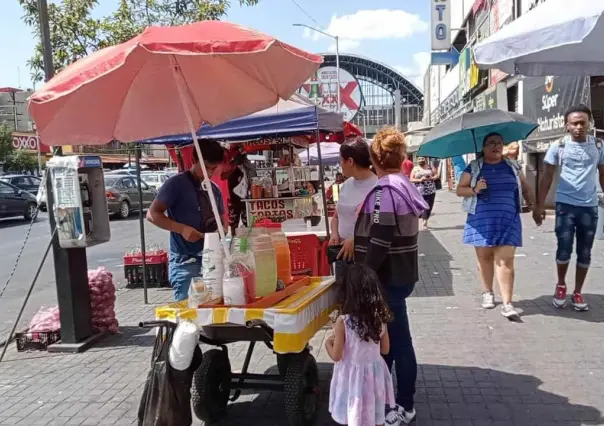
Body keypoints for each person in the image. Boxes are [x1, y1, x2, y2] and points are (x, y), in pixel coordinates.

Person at [354, 127, 428, 424]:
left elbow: (380, 239)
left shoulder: (385, 192)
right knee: (392, 341)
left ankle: (404, 405)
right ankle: (389, 399)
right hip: (401, 275)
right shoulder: (405, 185)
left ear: (375, 159)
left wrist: (362, 274)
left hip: (386, 279)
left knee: (397, 342)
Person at [533, 105, 604, 311]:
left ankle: (578, 292)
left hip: (589, 207)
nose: (579, 127)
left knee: (585, 252)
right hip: (565, 206)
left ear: (590, 123)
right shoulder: (559, 146)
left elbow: (602, 174)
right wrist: (539, 205)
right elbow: (547, 177)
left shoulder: (598, 146)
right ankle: (561, 284)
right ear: (567, 126)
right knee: (564, 249)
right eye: (574, 123)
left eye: (583, 122)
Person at [457, 133, 534, 319]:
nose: (496, 146)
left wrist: (534, 205)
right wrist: (475, 189)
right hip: (481, 220)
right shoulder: (475, 167)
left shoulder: (513, 166)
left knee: (506, 260)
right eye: (491, 143)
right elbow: (460, 190)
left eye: (499, 143)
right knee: (485, 258)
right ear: (483, 148)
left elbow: (525, 187)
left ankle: (507, 303)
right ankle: (487, 292)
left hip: (509, 219)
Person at [147, 141, 226, 301]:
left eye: (213, 168)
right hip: (186, 261)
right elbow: (152, 214)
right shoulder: (176, 184)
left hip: (212, 260)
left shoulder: (214, 189)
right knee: (189, 316)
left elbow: (223, 220)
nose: (209, 173)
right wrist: (181, 229)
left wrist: (223, 232)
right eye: (206, 167)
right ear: (194, 161)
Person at [326, 264, 397, 426]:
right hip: (374, 375)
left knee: (351, 413)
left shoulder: (343, 322)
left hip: (351, 377)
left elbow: (336, 355)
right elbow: (385, 349)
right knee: (375, 415)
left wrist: (327, 343)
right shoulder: (379, 319)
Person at [329, 136, 378, 277]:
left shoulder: (377, 186)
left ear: (350, 161)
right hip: (342, 254)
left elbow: (380, 226)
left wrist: (357, 239)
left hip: (364, 256)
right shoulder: (346, 184)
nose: (340, 164)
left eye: (341, 160)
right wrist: (334, 233)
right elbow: (336, 217)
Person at [221, 147, 252, 235]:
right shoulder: (234, 167)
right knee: (236, 223)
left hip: (240, 198)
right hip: (235, 198)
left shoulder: (242, 167)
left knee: (244, 222)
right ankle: (235, 238)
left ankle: (239, 237)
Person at [410, 157, 438, 230]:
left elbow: (436, 175)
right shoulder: (415, 169)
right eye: (419, 159)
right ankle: (421, 221)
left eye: (422, 159)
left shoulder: (430, 167)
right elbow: (411, 179)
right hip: (419, 192)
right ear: (417, 160)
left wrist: (431, 178)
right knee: (420, 207)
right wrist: (420, 180)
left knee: (428, 206)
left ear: (425, 159)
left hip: (430, 191)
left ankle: (425, 221)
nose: (421, 160)